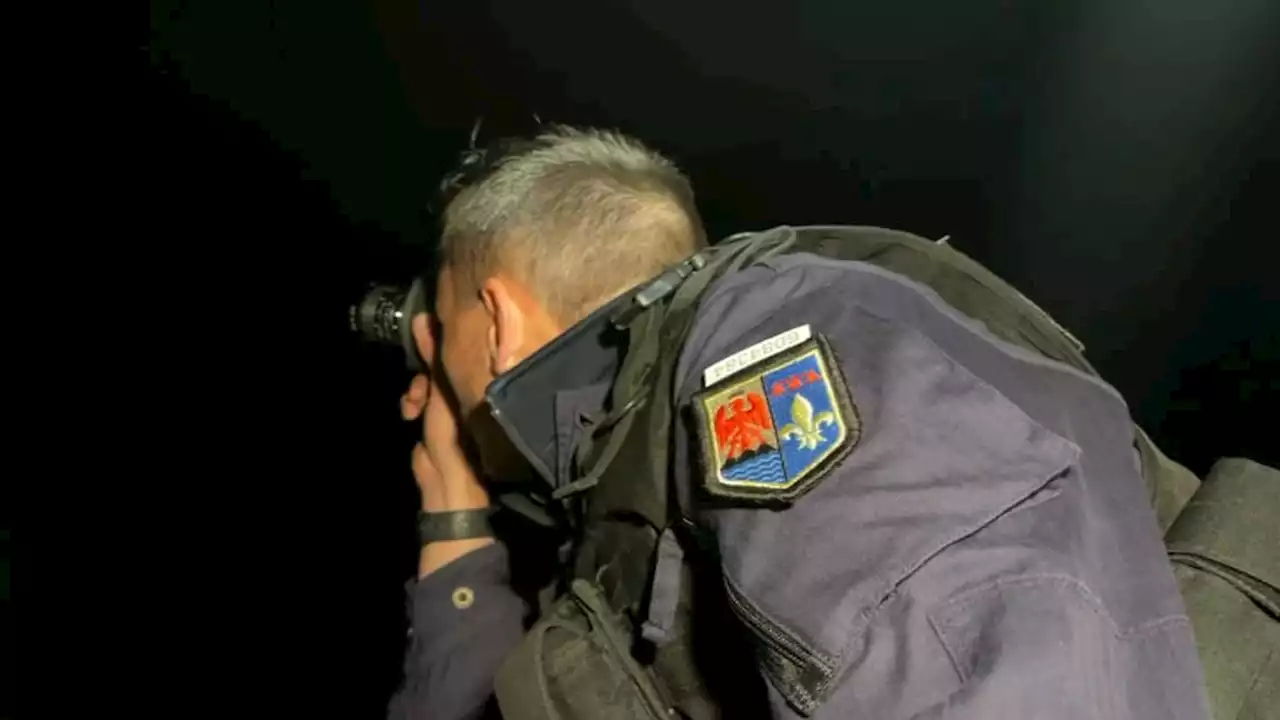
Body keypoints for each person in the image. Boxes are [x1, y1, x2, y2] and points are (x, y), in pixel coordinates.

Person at [386, 125, 1215, 720]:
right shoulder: (628, 499)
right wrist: (454, 509)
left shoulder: (777, 345)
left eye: (443, 326)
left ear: (495, 322)